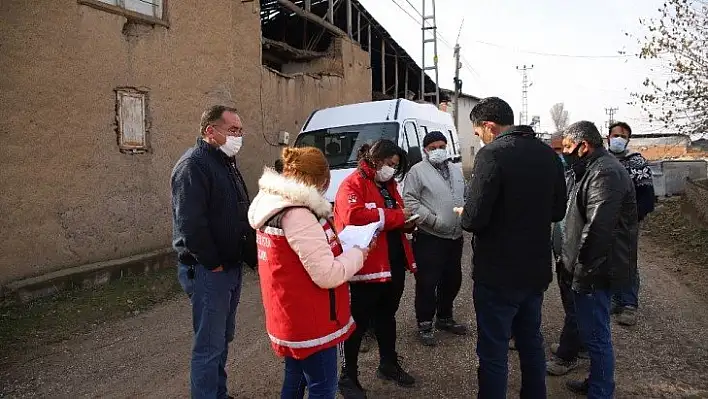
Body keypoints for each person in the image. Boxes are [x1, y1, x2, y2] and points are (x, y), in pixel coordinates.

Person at [461, 97, 567, 399]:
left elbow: (473, 219)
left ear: (489, 127)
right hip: (534, 271)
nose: (479, 140)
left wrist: (465, 212)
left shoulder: (492, 156)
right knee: (531, 343)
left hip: (497, 275)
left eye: (478, 133)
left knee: (493, 352)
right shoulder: (548, 155)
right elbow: (558, 211)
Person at [247, 147, 367, 399]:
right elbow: (327, 275)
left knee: (295, 378)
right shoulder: (298, 214)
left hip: (290, 314)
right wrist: (358, 254)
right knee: (322, 386)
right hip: (312, 320)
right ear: (323, 180)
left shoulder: (273, 205)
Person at [171, 105, 251, 399]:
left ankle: (219, 393)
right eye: (233, 130)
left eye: (241, 131)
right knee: (208, 346)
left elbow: (238, 213)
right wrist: (214, 264)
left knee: (222, 339)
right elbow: (191, 225)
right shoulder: (194, 165)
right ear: (210, 131)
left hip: (230, 268)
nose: (239, 136)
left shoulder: (226, 162)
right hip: (209, 271)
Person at [559, 121, 639, 397]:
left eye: (568, 147)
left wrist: (581, 273)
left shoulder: (605, 174)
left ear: (584, 146)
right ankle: (596, 380)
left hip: (598, 269)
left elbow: (597, 231)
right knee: (592, 331)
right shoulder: (592, 169)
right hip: (594, 267)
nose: (565, 152)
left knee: (597, 337)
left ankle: (601, 391)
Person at [334, 139, 417, 399]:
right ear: (376, 158)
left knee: (387, 317)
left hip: (392, 264)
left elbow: (398, 214)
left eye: (395, 166)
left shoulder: (389, 186)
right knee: (357, 324)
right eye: (389, 164)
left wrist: (406, 222)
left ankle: (388, 364)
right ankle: (348, 377)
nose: (392, 169)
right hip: (367, 267)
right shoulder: (352, 183)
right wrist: (396, 218)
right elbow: (354, 217)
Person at [403, 130, 467, 347]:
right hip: (431, 237)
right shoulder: (417, 171)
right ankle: (424, 323)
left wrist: (462, 215)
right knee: (427, 283)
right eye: (433, 148)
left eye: (441, 146)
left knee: (452, 280)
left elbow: (463, 195)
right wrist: (432, 220)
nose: (438, 151)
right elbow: (410, 201)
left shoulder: (455, 170)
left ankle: (445, 317)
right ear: (425, 150)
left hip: (455, 236)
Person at [546, 130, 590, 377]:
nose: (560, 154)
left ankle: (567, 356)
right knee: (569, 302)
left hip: (578, 255)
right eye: (555, 149)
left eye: (563, 149)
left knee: (576, 306)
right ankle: (580, 344)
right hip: (563, 253)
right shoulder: (567, 175)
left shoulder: (590, 176)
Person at [607, 121, 654, 326]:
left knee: (627, 261)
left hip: (627, 222)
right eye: (615, 135)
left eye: (623, 136)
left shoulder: (636, 162)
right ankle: (614, 299)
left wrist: (634, 218)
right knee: (606, 261)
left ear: (628, 140)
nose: (618, 139)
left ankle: (629, 304)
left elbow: (647, 196)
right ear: (607, 137)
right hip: (603, 221)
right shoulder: (602, 160)